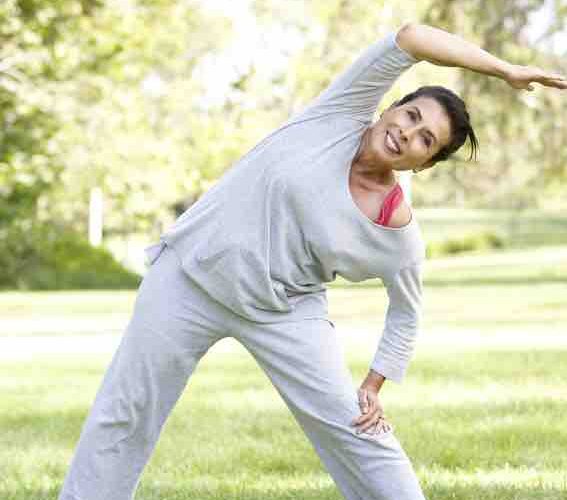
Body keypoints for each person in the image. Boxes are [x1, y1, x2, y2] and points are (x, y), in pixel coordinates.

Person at [58, 23, 566, 500]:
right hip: (189, 277)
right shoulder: (340, 113)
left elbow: (406, 312)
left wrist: (374, 383)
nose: (408, 134)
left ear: (425, 164)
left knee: (356, 425)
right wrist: (504, 70)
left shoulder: (396, 231)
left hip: (282, 310)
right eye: (411, 116)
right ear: (393, 106)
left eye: (425, 141)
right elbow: (411, 37)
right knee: (124, 413)